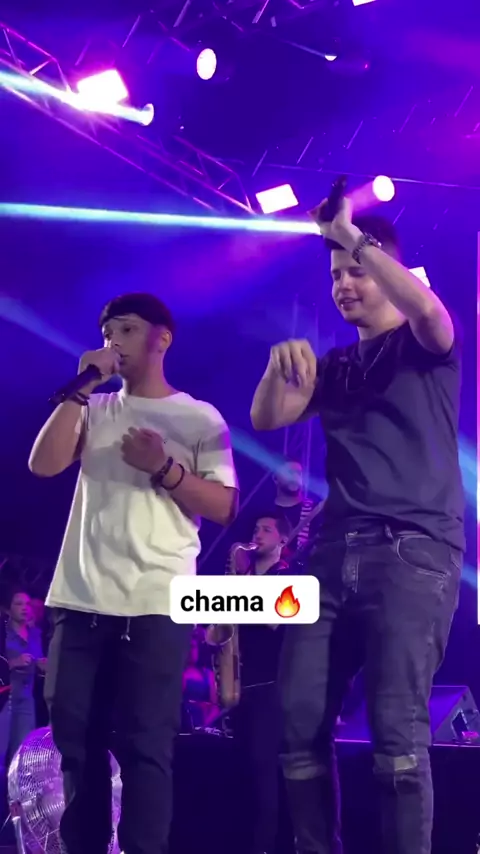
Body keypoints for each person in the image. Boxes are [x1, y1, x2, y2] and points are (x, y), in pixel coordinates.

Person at [250, 198, 464, 854]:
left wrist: (350, 234)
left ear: (387, 269)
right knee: (298, 724)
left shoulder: (423, 345)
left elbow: (431, 313)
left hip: (412, 552)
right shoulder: (337, 365)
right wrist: (276, 368)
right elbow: (267, 418)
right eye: (335, 275)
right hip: (331, 555)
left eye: (356, 272)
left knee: (396, 734)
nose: (343, 283)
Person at [28, 292, 238, 854]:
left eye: (124, 330)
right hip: (81, 600)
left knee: (147, 750)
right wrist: (80, 389)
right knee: (76, 745)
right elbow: (42, 464)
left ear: (160, 338)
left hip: (156, 606)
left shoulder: (198, 417)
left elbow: (224, 505)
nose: (112, 342)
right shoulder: (92, 407)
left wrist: (163, 468)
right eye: (106, 332)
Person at [234, 511, 291, 854]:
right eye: (256, 528)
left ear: (283, 540)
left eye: (267, 529)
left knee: (264, 772)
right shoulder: (243, 578)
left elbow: (273, 621)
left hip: (270, 688)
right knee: (241, 772)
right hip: (240, 686)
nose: (258, 534)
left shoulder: (287, 576)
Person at [5, 590, 47, 762]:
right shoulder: (4, 633)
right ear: (8, 609)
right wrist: (14, 662)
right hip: (6, 697)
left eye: (27, 604)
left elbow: (37, 661)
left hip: (26, 697)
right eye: (18, 604)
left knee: (22, 753)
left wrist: (42, 665)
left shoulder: (35, 634)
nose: (24, 608)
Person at [273, 459, 323, 558]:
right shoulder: (263, 510)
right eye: (289, 473)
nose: (295, 477)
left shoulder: (317, 511)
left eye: (299, 474)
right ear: (275, 479)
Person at [182, 630, 219, 730]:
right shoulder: (179, 672)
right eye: (189, 647)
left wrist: (205, 725)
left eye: (194, 647)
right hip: (184, 725)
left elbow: (215, 706)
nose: (192, 651)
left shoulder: (208, 674)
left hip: (206, 727)